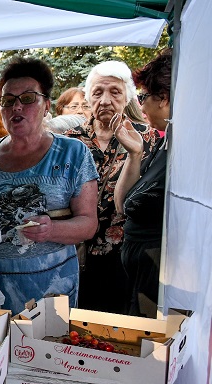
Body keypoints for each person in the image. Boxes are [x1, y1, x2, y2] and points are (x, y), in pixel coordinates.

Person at [0, 56, 98, 314]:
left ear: (46, 105)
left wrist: (52, 230)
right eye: (8, 100)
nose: (17, 107)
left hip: (51, 288)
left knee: (45, 350)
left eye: (27, 98)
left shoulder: (73, 154)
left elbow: (88, 224)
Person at [64, 61, 160, 313]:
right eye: (97, 92)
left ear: (127, 96)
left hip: (125, 255)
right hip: (75, 253)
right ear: (88, 97)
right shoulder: (70, 142)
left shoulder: (147, 137)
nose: (105, 100)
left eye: (115, 92)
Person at [113, 49, 172, 317]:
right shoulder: (163, 144)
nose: (140, 105)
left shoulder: (188, 152)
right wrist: (134, 154)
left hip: (158, 281)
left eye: (143, 97)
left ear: (164, 99)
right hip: (139, 274)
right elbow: (122, 204)